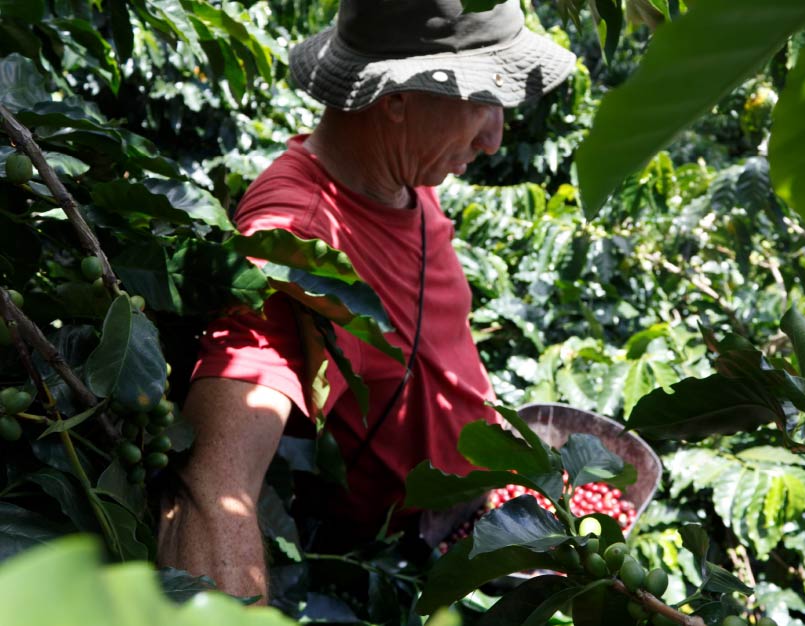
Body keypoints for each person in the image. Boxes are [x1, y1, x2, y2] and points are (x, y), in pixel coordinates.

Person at [156, 0, 575, 604]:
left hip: (469, 516)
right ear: (398, 98)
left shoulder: (404, 174)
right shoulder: (296, 242)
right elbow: (214, 484)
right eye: (483, 102)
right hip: (392, 557)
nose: (494, 138)